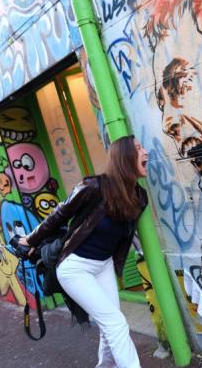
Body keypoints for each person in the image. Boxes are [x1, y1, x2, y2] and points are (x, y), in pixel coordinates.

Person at [20, 135, 149, 368]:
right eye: (139, 148)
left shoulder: (140, 197)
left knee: (110, 327)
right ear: (124, 158)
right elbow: (58, 216)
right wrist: (30, 240)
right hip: (76, 268)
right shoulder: (94, 187)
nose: (146, 152)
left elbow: (126, 236)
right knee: (116, 324)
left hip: (104, 266)